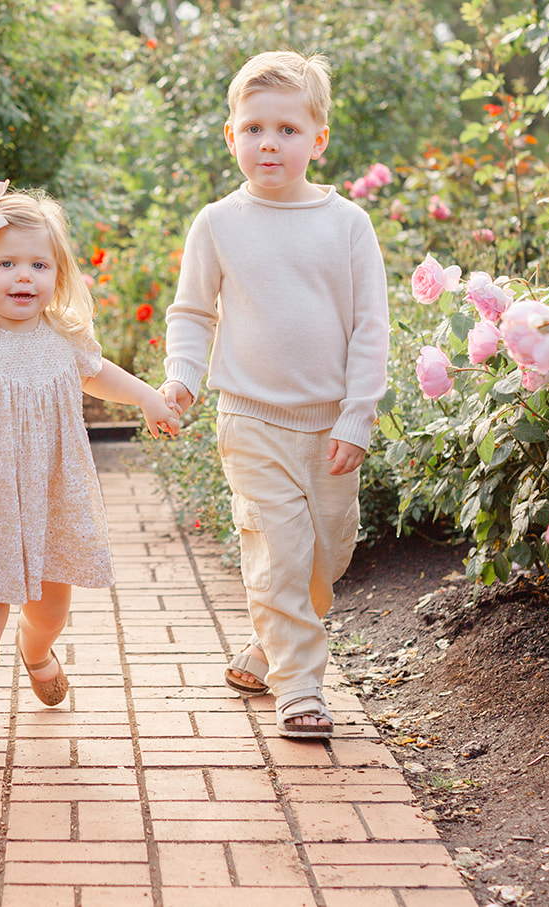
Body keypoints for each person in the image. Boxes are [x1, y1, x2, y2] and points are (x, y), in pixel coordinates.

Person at [0, 181, 181, 751]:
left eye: (38, 264)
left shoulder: (62, 337)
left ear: (59, 273)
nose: (23, 276)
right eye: (6, 263)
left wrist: (150, 397)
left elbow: (100, 374)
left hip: (53, 495)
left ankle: (37, 652)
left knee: (50, 607)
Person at [160, 50, 389, 739]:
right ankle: (300, 687)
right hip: (250, 418)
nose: (269, 142)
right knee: (281, 549)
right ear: (231, 135)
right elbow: (193, 312)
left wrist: (358, 414)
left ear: (319, 139)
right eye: (254, 127)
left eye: (287, 129)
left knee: (329, 549)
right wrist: (182, 376)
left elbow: (370, 325)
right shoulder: (218, 223)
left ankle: (270, 643)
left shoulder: (347, 224)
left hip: (329, 425)